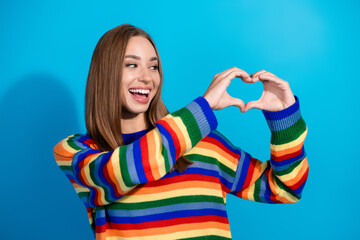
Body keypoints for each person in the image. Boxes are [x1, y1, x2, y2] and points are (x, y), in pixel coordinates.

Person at [53, 24, 308, 240]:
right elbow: (135, 166)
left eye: (153, 67)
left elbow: (285, 188)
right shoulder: (77, 152)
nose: (146, 78)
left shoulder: (204, 144)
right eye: (131, 65)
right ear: (106, 74)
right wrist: (204, 108)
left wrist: (284, 117)